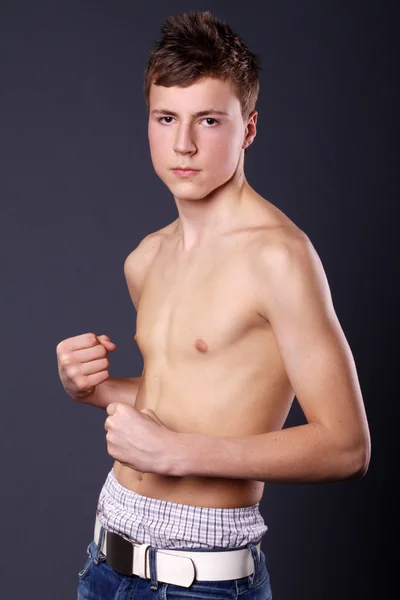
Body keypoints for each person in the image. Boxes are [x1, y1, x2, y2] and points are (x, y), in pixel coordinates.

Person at [56, 9, 371, 600]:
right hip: (104, 562)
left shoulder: (279, 257)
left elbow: (347, 445)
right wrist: (94, 387)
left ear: (248, 129)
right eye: (165, 118)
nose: (183, 143)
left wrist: (180, 454)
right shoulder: (146, 258)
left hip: (202, 583)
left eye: (208, 120)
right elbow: (188, 395)